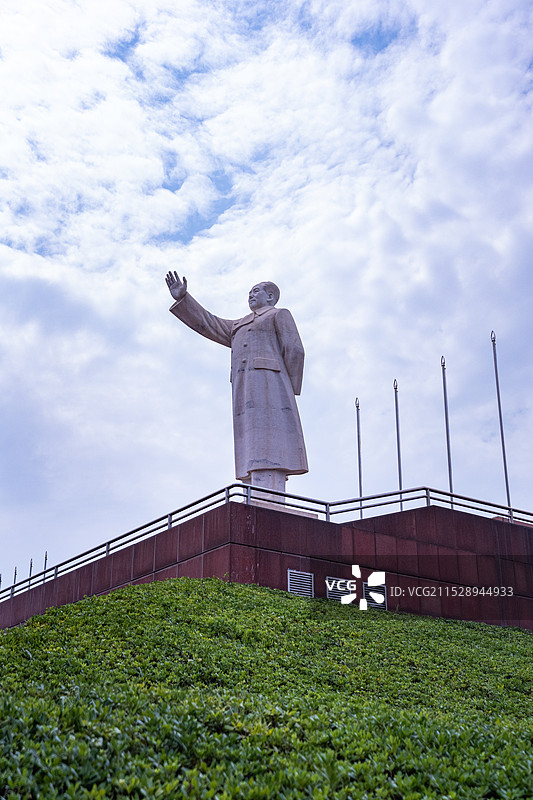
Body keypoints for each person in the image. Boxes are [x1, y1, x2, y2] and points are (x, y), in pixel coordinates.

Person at [166, 272, 308, 495]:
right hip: (245, 386)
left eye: (256, 291)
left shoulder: (278, 315)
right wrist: (184, 298)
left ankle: (269, 492)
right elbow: (209, 323)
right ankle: (253, 487)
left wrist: (287, 387)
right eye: (249, 292)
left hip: (271, 382)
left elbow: (295, 350)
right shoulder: (238, 325)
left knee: (272, 439)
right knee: (251, 440)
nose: (250, 295)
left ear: (270, 297)